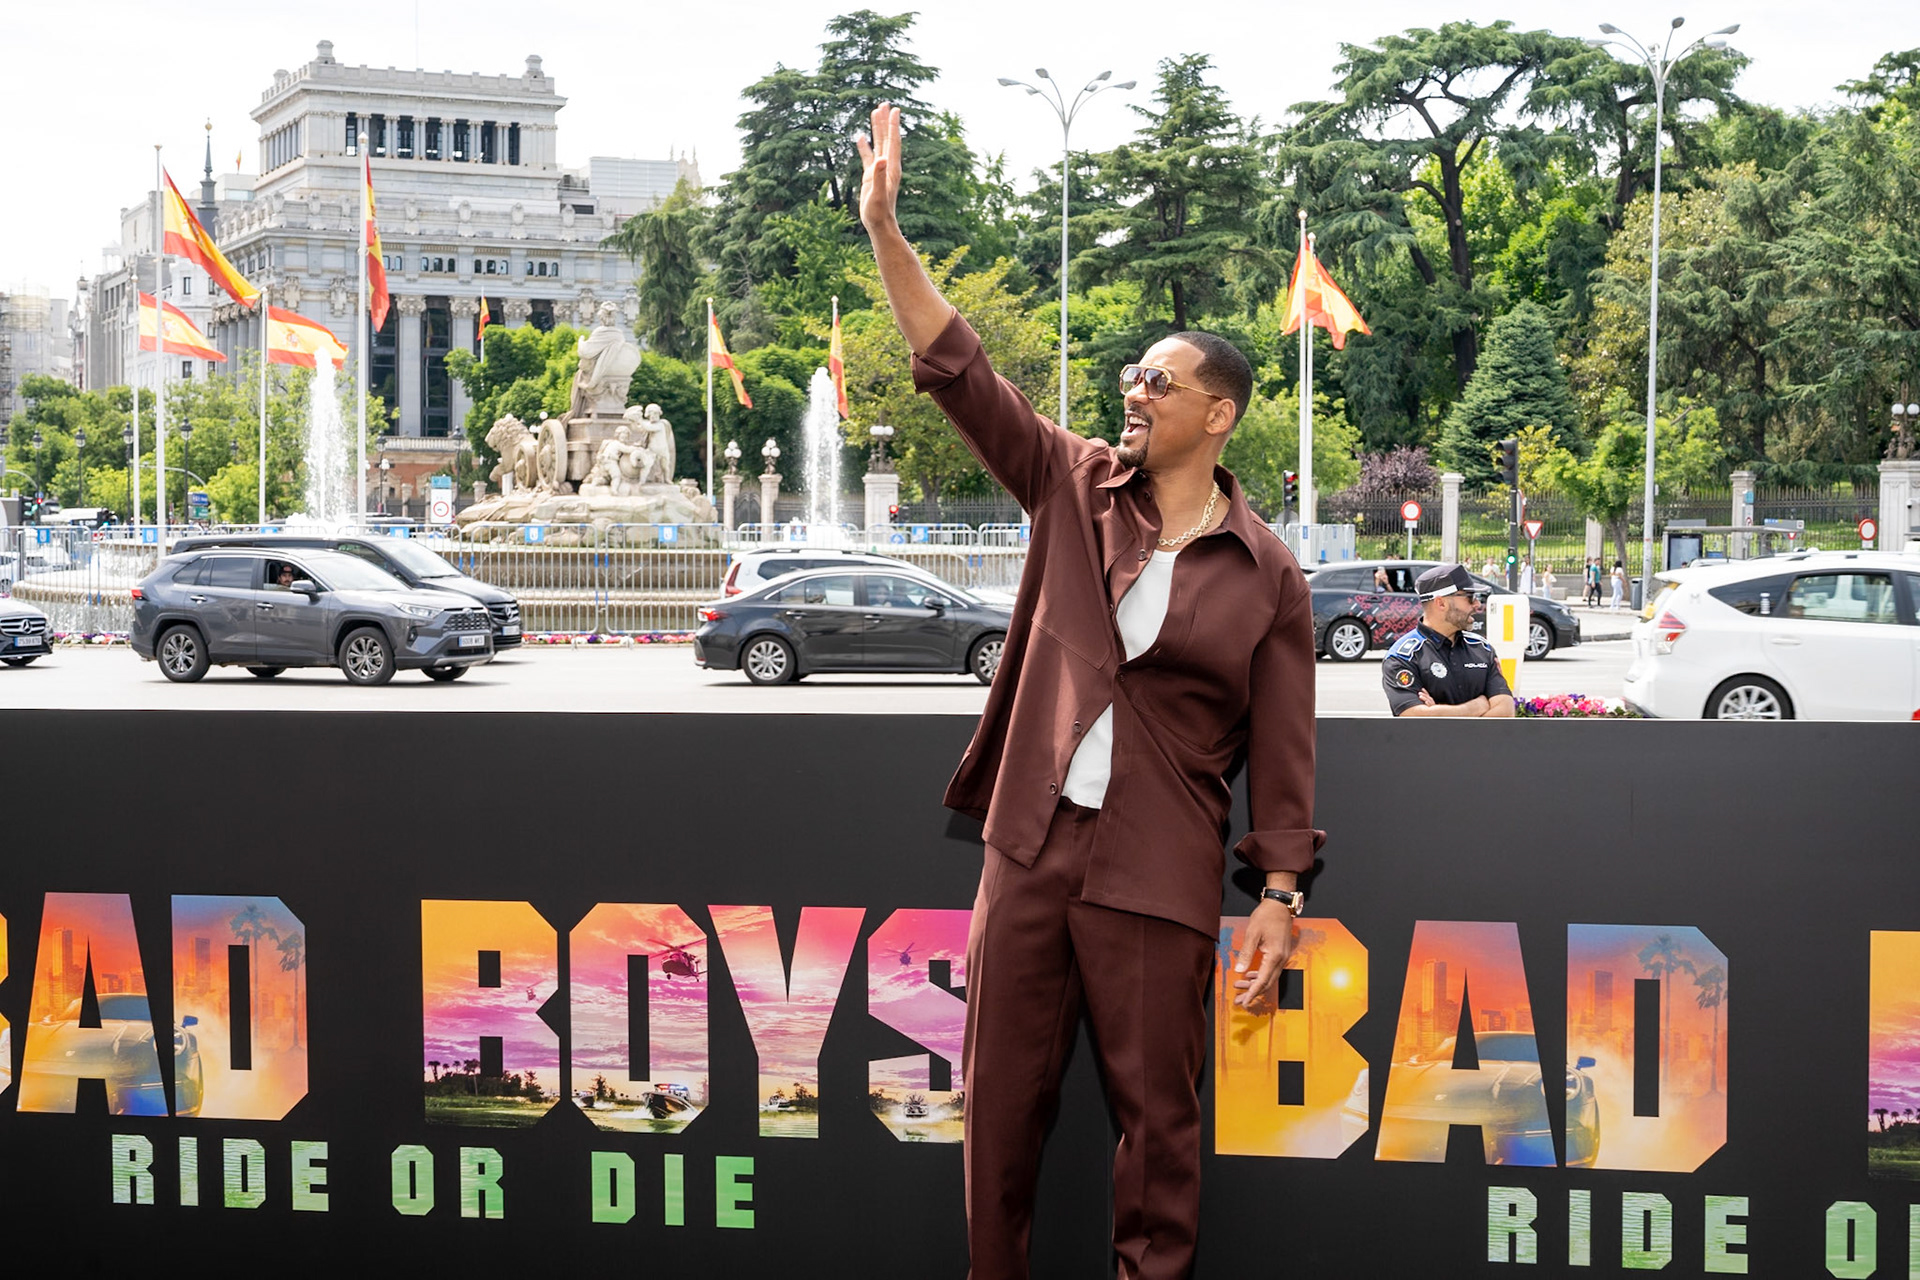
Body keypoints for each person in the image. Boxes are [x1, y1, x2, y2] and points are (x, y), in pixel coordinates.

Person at [856, 104, 1321, 1280]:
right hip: (1029, 846)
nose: (1135, 393)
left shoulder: (1270, 573)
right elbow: (963, 373)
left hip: (1158, 871)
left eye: (1159, 384)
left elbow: (1285, 747)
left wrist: (1276, 889)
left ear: (1218, 412)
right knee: (999, 1115)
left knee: (1159, 1136)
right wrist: (885, 230)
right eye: (1131, 378)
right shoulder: (1071, 482)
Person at [1382, 563, 1516, 718]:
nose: (1477, 604)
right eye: (1470, 597)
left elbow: (1505, 712)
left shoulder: (1482, 648)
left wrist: (1437, 713)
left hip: (1478, 743)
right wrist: (1475, 707)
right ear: (1441, 603)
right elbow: (1412, 717)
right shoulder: (1403, 657)